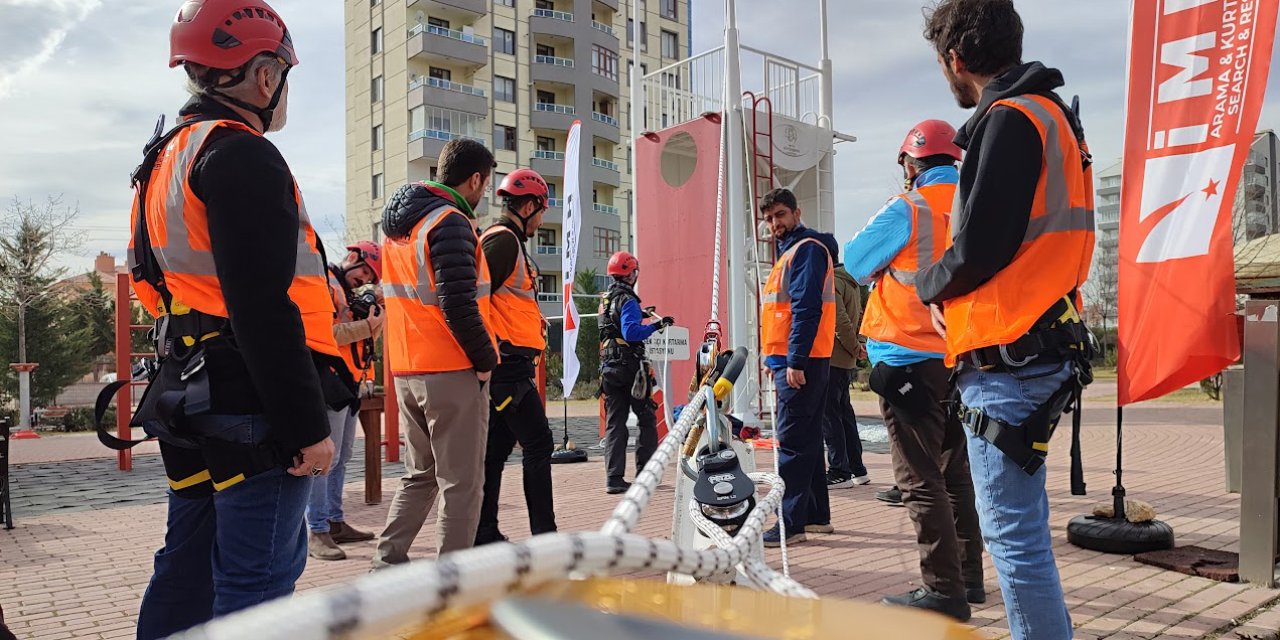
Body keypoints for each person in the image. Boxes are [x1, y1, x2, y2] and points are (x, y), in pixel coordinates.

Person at [127, 1, 353, 635]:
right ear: (262, 75)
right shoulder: (242, 154)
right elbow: (261, 307)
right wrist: (307, 427)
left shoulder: (164, 157)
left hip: (190, 387)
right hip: (252, 402)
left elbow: (154, 281)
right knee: (257, 584)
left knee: (187, 567)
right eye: (284, 73)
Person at [916, 2, 1095, 638]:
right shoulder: (1052, 117)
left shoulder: (1011, 119)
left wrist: (927, 285)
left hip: (1009, 359)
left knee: (1015, 543)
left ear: (954, 61)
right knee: (1023, 537)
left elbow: (980, 246)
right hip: (1040, 343)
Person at [845, 120, 985, 622]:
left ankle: (944, 590)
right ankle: (970, 579)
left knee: (919, 478)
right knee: (955, 473)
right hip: (963, 358)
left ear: (910, 164)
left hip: (906, 357)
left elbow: (855, 261)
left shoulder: (908, 207)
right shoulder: (977, 207)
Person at [374, 138, 499, 566]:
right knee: (461, 484)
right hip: (452, 371)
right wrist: (486, 361)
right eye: (487, 182)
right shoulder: (451, 222)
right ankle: (452, 587)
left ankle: (386, 564)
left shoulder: (397, 230)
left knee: (419, 476)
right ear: (476, 178)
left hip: (408, 370)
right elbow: (459, 305)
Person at [475, 169, 558, 544]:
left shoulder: (508, 242)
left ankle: (484, 531)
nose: (541, 220)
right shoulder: (503, 242)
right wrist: (489, 355)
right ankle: (545, 536)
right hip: (506, 368)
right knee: (539, 443)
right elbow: (474, 298)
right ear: (527, 206)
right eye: (540, 211)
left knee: (495, 451)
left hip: (508, 366)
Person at [758, 188, 836, 548]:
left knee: (791, 443)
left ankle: (790, 524)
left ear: (796, 212)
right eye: (770, 218)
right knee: (807, 440)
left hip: (802, 361)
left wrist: (794, 360)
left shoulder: (805, 250)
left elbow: (806, 309)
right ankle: (816, 517)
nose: (775, 223)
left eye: (780, 215)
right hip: (799, 359)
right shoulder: (792, 252)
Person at [307, 241, 384, 560]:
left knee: (343, 456)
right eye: (365, 271)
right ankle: (317, 530)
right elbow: (328, 333)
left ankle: (334, 521)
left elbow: (359, 334)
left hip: (351, 380)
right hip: (330, 379)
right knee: (327, 458)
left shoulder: (345, 289)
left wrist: (373, 318)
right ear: (353, 258)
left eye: (371, 277)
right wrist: (367, 326)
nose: (364, 279)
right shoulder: (325, 282)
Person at [598, 251, 674, 494]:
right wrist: (655, 325)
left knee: (615, 423)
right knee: (647, 419)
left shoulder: (606, 299)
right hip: (629, 368)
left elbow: (614, 323)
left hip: (608, 368)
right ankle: (645, 474)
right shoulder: (628, 299)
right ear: (630, 274)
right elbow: (630, 333)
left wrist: (640, 314)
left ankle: (614, 478)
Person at [819, 234, 870, 489]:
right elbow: (860, 317)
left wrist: (854, 346)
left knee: (831, 417)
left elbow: (838, 320)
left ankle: (839, 470)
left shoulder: (830, 282)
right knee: (844, 415)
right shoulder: (850, 282)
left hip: (830, 358)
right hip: (846, 361)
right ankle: (858, 468)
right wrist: (859, 346)